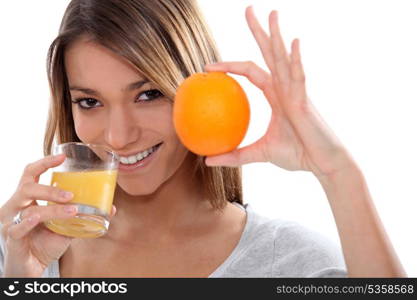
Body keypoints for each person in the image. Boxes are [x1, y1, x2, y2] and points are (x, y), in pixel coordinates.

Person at [0, 0, 406, 278]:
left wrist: (338, 172)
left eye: (148, 94)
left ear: (194, 90)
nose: (118, 136)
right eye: (90, 101)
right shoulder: (19, 250)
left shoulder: (290, 262)